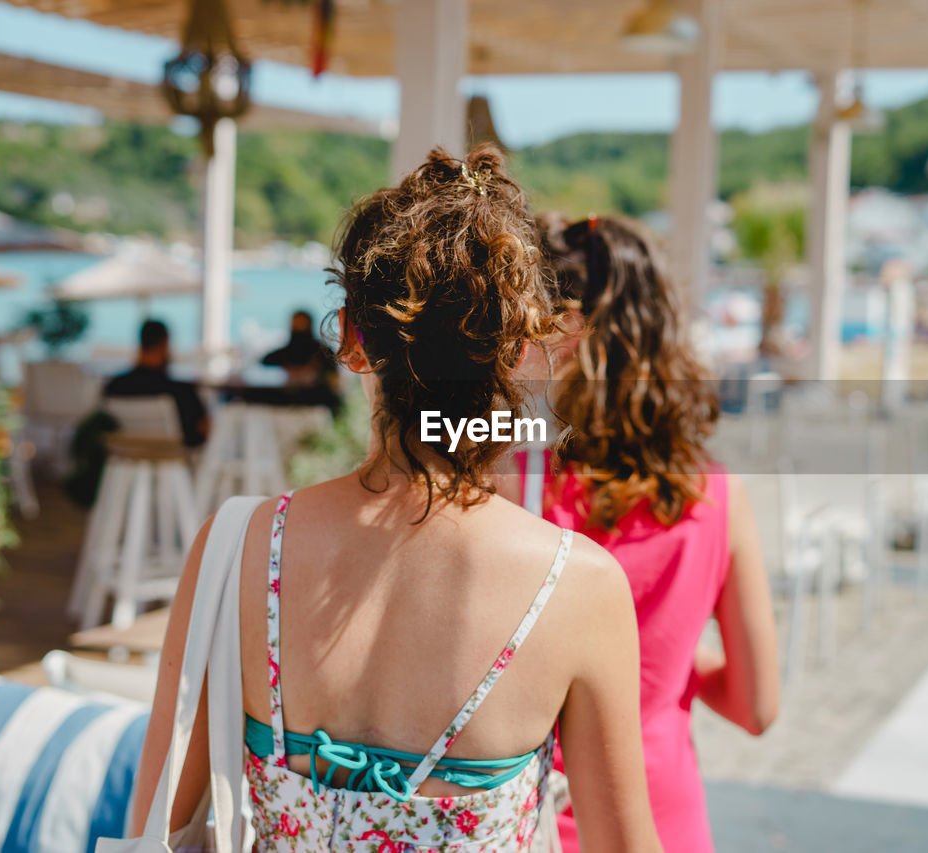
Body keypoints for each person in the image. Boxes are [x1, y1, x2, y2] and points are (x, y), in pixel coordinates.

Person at [132, 147, 663, 853]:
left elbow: (154, 827)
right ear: (519, 352)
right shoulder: (577, 585)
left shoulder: (239, 546)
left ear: (353, 337)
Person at [529, 214, 780, 853]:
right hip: (664, 821)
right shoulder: (717, 495)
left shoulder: (516, 481)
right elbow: (757, 707)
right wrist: (668, 663)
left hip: (534, 825)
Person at [104, 318, 208, 447]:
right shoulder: (181, 391)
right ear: (165, 344)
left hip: (128, 459)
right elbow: (203, 431)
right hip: (175, 462)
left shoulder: (113, 387)